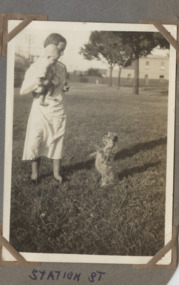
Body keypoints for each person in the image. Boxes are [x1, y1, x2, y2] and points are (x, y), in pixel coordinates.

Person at [20, 33, 69, 183]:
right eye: (60, 50)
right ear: (50, 48)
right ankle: (35, 175)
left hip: (57, 108)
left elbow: (62, 85)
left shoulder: (62, 67)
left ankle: (56, 174)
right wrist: (40, 84)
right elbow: (23, 90)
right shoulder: (36, 66)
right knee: (36, 139)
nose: (61, 54)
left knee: (56, 139)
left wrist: (65, 87)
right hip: (40, 110)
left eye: (63, 50)